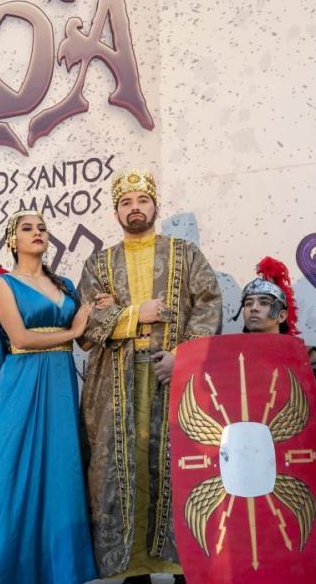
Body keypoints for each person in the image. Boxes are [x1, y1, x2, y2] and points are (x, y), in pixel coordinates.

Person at [77, 169, 222, 584]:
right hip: (115, 384)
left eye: (142, 200)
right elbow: (87, 323)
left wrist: (182, 356)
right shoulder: (99, 263)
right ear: (116, 211)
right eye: (126, 202)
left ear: (155, 206)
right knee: (120, 470)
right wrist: (132, 315)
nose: (134, 208)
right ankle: (132, 566)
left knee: (178, 465)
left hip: (172, 378)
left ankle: (181, 565)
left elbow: (209, 303)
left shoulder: (184, 254)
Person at [0, 212, 97, 584]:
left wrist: (96, 314)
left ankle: (54, 571)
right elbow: (21, 338)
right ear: (13, 240)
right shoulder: (2, 284)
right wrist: (72, 329)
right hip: (20, 388)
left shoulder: (67, 285)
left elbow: (84, 340)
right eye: (28, 228)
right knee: (9, 477)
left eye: (42, 228)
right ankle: (0, 570)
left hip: (59, 388)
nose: (37, 233)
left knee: (57, 474)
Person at [236, 256, 316, 375]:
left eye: (263, 303)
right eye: (248, 304)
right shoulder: (231, 354)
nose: (253, 308)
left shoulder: (305, 355)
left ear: (282, 316)